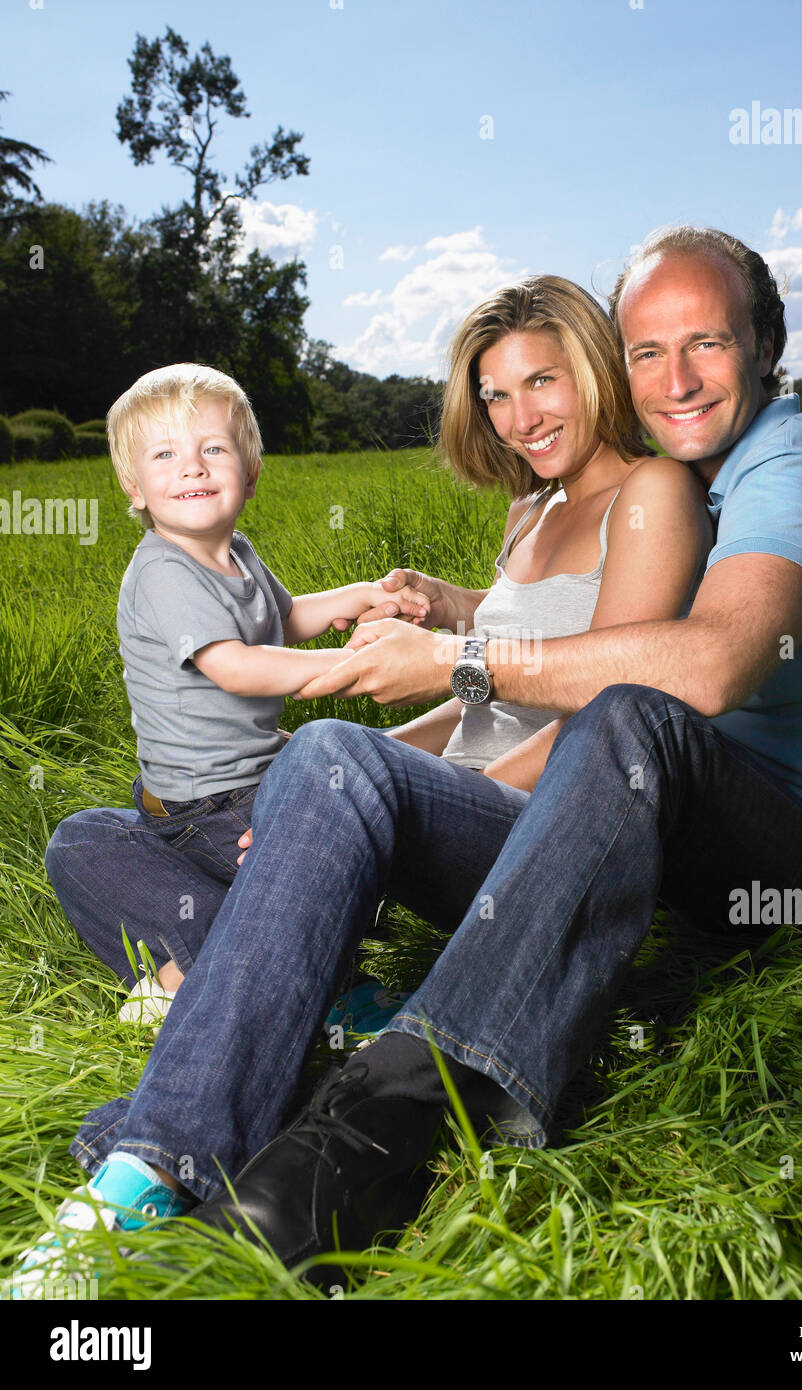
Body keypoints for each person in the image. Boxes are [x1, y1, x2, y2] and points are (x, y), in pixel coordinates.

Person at [17, 274, 711, 1289]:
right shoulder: (534, 504)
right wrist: (339, 788)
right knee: (126, 822)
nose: (521, 418)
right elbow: (494, 683)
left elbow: (607, 706)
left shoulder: (651, 494)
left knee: (333, 757)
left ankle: (151, 1163)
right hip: (469, 798)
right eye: (497, 395)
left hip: (550, 826)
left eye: (544, 383)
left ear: (595, 371)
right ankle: (301, 1001)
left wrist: (355, 778)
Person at [58, 362, 429, 1024]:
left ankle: (237, 973)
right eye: (165, 454)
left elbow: (281, 618)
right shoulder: (162, 573)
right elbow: (235, 665)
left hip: (240, 785)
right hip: (205, 801)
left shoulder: (238, 554)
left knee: (328, 825)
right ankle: (245, 965)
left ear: (250, 473)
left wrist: (358, 597)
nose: (192, 468)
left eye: (213, 450)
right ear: (133, 485)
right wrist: (335, 668)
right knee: (79, 842)